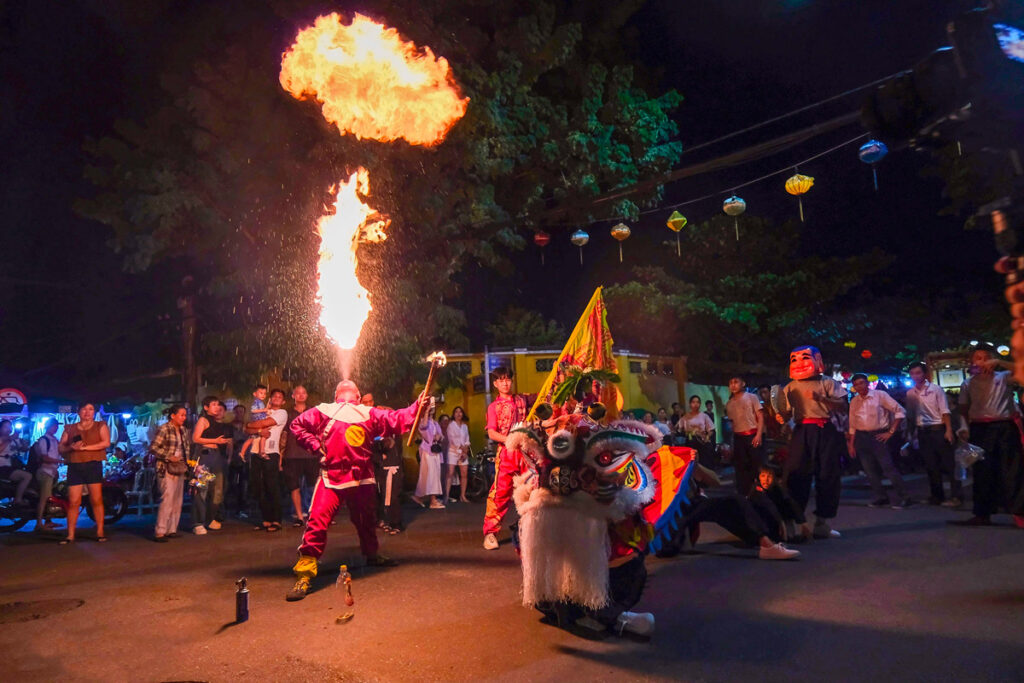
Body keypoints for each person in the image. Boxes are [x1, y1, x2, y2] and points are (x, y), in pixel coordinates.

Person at [285, 380, 426, 601]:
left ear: (358, 397)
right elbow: (297, 426)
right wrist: (315, 447)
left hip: (362, 477)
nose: (348, 388)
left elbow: (398, 419)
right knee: (317, 523)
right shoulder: (324, 410)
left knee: (366, 520)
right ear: (337, 395)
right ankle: (305, 572)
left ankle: (371, 554)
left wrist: (419, 404)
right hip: (331, 477)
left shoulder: (367, 412)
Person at [657, 461, 800, 561]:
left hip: (692, 503)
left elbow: (715, 481)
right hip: (670, 512)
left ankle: (765, 543)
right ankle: (763, 541)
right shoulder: (651, 466)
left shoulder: (679, 462)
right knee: (667, 548)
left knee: (734, 501)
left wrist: (696, 465)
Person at [777, 345, 848, 539]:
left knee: (828, 475)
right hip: (801, 431)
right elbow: (785, 413)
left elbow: (843, 407)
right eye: (794, 359)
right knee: (794, 475)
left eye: (805, 358)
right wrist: (781, 416)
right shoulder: (790, 386)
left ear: (818, 361)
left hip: (825, 430)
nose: (799, 363)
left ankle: (822, 523)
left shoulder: (828, 382)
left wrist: (822, 399)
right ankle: (791, 522)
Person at [956, 346, 1024, 527]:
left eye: (987, 357)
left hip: (1004, 426)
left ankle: (1019, 513)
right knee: (982, 472)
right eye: (978, 358)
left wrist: (1000, 362)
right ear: (973, 362)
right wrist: (963, 426)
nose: (983, 361)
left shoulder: (1003, 378)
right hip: (980, 428)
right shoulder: (968, 383)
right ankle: (982, 513)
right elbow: (963, 408)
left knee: (1012, 471)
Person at [482, 366, 533, 550]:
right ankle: (490, 533)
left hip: (527, 453)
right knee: (500, 494)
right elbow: (492, 433)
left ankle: (531, 529)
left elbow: (545, 397)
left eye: (508, 379)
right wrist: (512, 439)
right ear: (495, 384)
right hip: (507, 454)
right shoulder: (494, 407)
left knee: (532, 490)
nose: (505, 383)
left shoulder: (522, 399)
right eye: (501, 380)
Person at [847, 374, 914, 509]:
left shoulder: (880, 395)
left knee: (888, 468)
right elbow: (853, 424)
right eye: (856, 384)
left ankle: (904, 496)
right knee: (869, 470)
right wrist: (851, 444)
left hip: (878, 435)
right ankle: (881, 497)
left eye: (861, 383)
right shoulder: (854, 401)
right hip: (862, 437)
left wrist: (891, 431)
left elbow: (900, 411)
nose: (859, 386)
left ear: (867, 383)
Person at [905, 362, 961, 507]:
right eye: (912, 373)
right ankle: (937, 495)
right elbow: (911, 415)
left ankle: (956, 496)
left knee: (949, 464)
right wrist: (911, 434)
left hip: (938, 429)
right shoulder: (910, 393)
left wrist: (948, 430)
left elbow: (945, 410)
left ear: (924, 374)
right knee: (931, 465)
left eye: (918, 373)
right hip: (923, 431)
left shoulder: (936, 389)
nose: (915, 376)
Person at [57, 403, 110, 543]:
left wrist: (86, 448)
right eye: (84, 409)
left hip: (93, 464)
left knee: (96, 499)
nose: (87, 412)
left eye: (91, 409)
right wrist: (71, 447)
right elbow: (61, 447)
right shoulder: (70, 428)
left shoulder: (101, 425)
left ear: (94, 412)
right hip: (75, 466)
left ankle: (100, 531)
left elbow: (105, 443)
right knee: (74, 501)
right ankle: (70, 534)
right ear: (78, 411)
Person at [246, 388, 288, 532]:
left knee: (272, 485)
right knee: (258, 486)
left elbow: (260, 424)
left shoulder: (281, 413)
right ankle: (265, 518)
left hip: (271, 452)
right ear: (270, 399)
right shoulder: (262, 411)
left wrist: (253, 426)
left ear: (283, 401)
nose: (276, 398)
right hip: (255, 452)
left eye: (279, 397)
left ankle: (276, 519)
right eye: (274, 396)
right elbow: (248, 429)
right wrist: (256, 429)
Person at [191, 396, 232, 534]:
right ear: (206, 407)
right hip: (205, 456)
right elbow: (195, 438)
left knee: (217, 490)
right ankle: (198, 522)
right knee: (201, 489)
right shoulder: (203, 420)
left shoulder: (217, 422)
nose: (217, 407)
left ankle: (210, 518)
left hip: (216, 456)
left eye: (218, 404)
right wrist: (215, 440)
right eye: (213, 404)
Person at [150, 405, 190, 542]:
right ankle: (160, 531)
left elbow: (186, 449)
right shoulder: (164, 428)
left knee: (177, 499)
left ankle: (172, 529)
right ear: (173, 415)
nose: (184, 417)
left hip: (180, 467)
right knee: (167, 498)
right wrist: (168, 456)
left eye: (185, 415)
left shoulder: (183, 430)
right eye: (181, 415)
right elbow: (154, 448)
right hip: (166, 467)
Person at [284, 385, 319, 526]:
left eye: (303, 392)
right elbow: (284, 435)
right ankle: (299, 516)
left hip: (310, 454)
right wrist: (281, 455)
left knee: (314, 487)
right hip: (292, 454)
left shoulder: (313, 411)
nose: (301, 395)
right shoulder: (287, 413)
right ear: (293, 396)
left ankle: (314, 515)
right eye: (297, 393)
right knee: (294, 487)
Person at [725, 377, 765, 495]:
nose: (733, 385)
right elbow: (731, 425)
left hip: (752, 434)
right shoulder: (729, 403)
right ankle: (744, 493)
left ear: (743, 383)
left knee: (756, 464)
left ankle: (758, 491)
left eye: (736, 382)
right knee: (740, 467)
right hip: (738, 438)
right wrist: (732, 443)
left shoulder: (752, 397)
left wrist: (759, 435)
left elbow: (760, 416)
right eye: (731, 383)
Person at [32, 418, 62, 531]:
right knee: (44, 498)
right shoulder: (44, 440)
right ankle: (39, 524)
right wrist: (61, 462)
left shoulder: (54, 439)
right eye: (54, 426)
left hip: (52, 472)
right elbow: (44, 458)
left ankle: (48, 521)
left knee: (50, 497)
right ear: (49, 426)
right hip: (45, 472)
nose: (56, 428)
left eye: (57, 426)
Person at [412, 406, 445, 509]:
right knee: (430, 475)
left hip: (435, 451)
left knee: (431, 475)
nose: (432, 408)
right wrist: (426, 412)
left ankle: (419, 496)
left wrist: (439, 437)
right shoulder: (423, 421)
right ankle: (432, 500)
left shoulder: (435, 423)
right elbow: (423, 426)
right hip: (427, 451)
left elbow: (442, 436)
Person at [0, 419, 32, 506]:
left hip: (12, 466)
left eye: (10, 426)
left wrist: (24, 443)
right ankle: (18, 499)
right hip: (2, 467)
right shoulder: (6, 439)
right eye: (5, 426)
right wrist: (9, 440)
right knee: (27, 476)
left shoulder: (14, 439)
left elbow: (24, 449)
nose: (8, 428)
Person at [678, 395, 716, 468]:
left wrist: (707, 437)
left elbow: (711, 430)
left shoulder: (704, 416)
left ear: (700, 404)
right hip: (690, 442)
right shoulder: (685, 417)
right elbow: (679, 428)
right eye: (693, 402)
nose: (695, 404)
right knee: (692, 463)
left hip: (701, 441)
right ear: (690, 404)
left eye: (698, 402)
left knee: (703, 462)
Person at [443, 406, 470, 504]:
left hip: (463, 452)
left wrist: (465, 450)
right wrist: (461, 449)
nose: (459, 414)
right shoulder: (451, 425)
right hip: (453, 451)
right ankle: (446, 495)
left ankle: (462, 495)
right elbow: (452, 439)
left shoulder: (465, 426)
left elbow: (467, 439)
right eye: (456, 412)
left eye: (460, 412)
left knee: (464, 474)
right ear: (453, 414)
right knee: (449, 473)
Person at [227, 404, 250, 518]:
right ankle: (229, 506)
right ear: (234, 412)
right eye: (238, 411)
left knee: (244, 484)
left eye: (242, 411)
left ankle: (242, 508)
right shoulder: (230, 426)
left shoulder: (248, 426)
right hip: (233, 457)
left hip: (246, 458)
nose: (240, 413)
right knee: (231, 482)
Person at [250, 383, 268, 460]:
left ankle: (261, 450)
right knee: (262, 436)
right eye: (261, 393)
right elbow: (253, 410)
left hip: (261, 421)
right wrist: (263, 410)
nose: (263, 395)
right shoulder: (256, 402)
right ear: (254, 394)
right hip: (258, 421)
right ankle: (262, 451)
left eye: (264, 393)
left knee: (263, 436)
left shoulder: (261, 402)